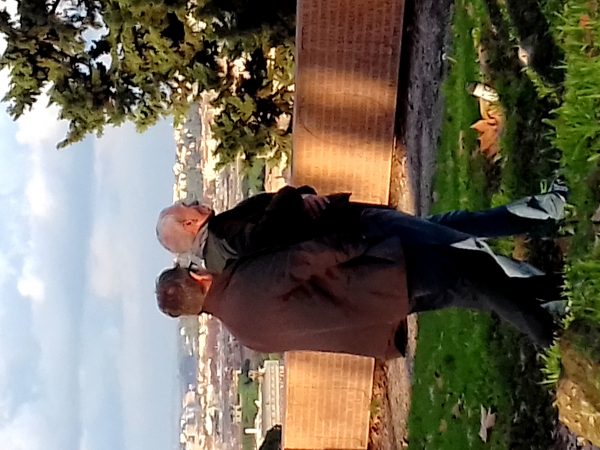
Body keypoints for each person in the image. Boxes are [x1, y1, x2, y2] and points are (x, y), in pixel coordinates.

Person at [154, 184, 567, 359]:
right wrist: (295, 196)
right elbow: (298, 255)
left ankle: (549, 290)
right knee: (465, 257)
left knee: (461, 253)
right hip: (374, 259)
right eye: (187, 206)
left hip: (378, 302)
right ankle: (553, 317)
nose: (194, 203)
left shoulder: (242, 327)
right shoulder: (228, 249)